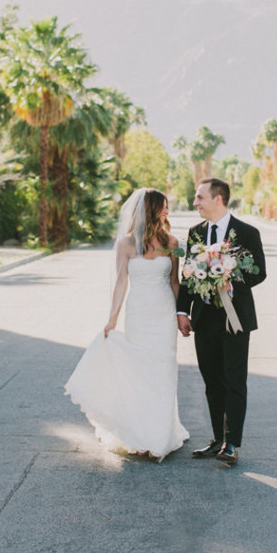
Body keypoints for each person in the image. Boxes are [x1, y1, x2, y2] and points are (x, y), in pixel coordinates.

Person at [65, 188, 189, 461]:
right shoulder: (126, 243)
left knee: (164, 369)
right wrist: (112, 319)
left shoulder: (172, 241)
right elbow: (121, 282)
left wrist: (182, 314)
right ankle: (140, 434)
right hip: (139, 314)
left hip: (164, 313)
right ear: (151, 210)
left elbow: (175, 281)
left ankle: (161, 433)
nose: (168, 212)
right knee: (141, 371)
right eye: (164, 207)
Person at [177, 178, 266, 465]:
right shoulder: (195, 233)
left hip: (235, 319)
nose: (195, 203)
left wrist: (229, 281)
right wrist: (183, 312)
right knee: (212, 381)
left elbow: (259, 272)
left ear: (219, 199)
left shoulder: (246, 232)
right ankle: (217, 439)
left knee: (234, 380)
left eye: (200, 197)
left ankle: (232, 443)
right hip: (204, 320)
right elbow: (188, 276)